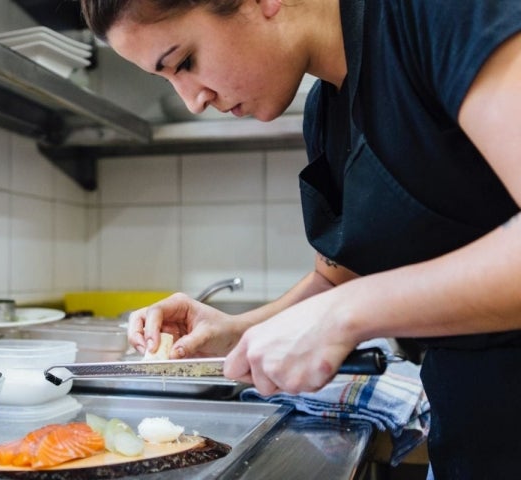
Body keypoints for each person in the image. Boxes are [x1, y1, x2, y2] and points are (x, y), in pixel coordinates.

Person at [79, 0, 521, 477]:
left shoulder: (435, 15)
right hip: (474, 438)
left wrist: (344, 317)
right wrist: (235, 331)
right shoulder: (325, 114)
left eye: (184, 62)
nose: (193, 100)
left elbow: (344, 303)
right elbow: (337, 282)